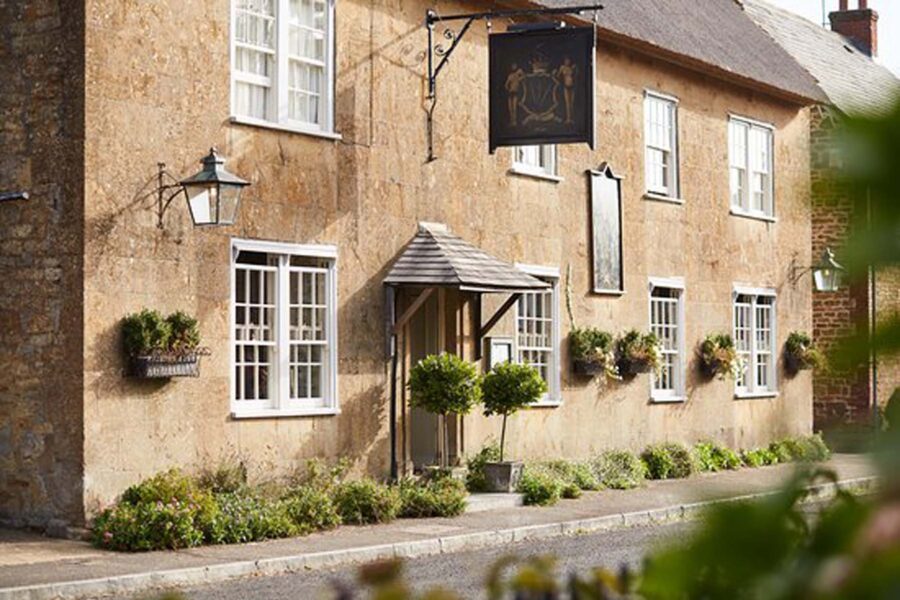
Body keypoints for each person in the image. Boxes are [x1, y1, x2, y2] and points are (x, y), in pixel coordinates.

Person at [556, 56, 577, 124]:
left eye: (568, 60)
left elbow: (576, 76)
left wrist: (575, 70)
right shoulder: (562, 67)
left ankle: (572, 118)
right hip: (566, 86)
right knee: (567, 103)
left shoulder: (573, 67)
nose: (567, 61)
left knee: (572, 102)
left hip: (572, 85)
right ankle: (568, 118)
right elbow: (558, 75)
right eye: (566, 60)